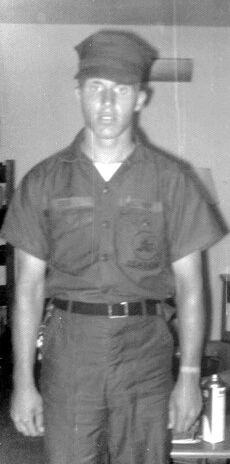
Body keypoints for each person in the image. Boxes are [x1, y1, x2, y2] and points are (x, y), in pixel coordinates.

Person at [1, 29, 228, 464]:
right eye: (96, 89)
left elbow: (192, 287)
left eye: (121, 91)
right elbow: (27, 288)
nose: (107, 105)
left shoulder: (172, 181)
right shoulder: (44, 181)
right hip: (70, 351)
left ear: (140, 98)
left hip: (147, 350)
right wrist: (23, 380)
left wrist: (189, 376)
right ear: (78, 93)